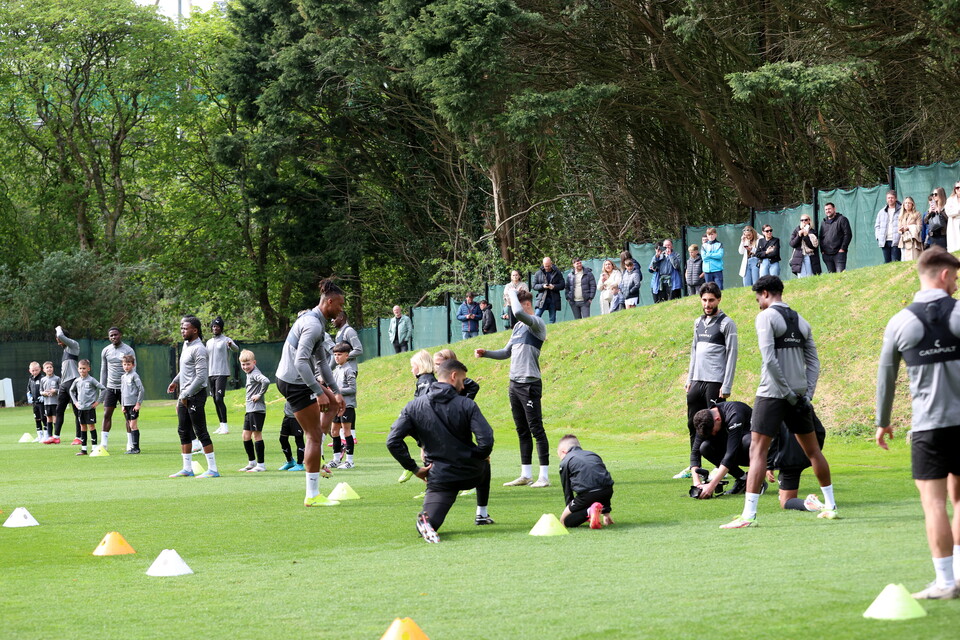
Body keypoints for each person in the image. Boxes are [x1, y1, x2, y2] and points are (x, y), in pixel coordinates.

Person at [875, 246, 960, 599]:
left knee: (934, 504)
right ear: (942, 275)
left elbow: (886, 375)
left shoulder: (899, 322)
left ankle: (945, 582)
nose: (955, 284)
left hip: (929, 428)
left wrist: (882, 421)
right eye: (954, 278)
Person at [721, 276, 837, 528]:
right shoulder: (802, 321)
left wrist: (786, 393)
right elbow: (814, 363)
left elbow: (769, 359)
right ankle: (830, 506)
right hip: (798, 396)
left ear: (764, 293)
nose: (759, 305)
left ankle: (748, 515)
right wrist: (806, 395)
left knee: (757, 451)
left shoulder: (765, 318)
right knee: (813, 451)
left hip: (772, 394)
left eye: (758, 299)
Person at [386, 358, 495, 543]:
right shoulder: (466, 404)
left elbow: (392, 441)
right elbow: (486, 440)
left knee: (431, 520)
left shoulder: (413, 406)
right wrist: (477, 456)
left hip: (439, 476)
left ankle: (425, 522)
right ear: (453, 376)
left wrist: (414, 469)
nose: (462, 386)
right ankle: (481, 514)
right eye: (462, 380)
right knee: (486, 461)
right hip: (471, 472)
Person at [275, 280, 346, 506]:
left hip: (298, 379)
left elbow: (322, 363)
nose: (341, 310)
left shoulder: (317, 322)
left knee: (333, 405)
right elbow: (300, 362)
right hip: (294, 382)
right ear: (330, 302)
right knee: (313, 436)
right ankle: (313, 495)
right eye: (340, 305)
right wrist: (318, 392)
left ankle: (317, 449)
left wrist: (335, 391)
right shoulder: (313, 325)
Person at [476, 288, 551, 487]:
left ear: (526, 304)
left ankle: (544, 476)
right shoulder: (518, 327)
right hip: (514, 383)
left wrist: (510, 292)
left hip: (529, 383)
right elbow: (506, 352)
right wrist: (486, 353)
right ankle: (526, 475)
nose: (510, 308)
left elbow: (518, 312)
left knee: (536, 429)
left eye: (512, 303)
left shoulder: (537, 323)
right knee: (522, 430)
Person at [677, 282, 738, 479]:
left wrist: (726, 384)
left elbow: (732, 355)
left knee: (715, 427)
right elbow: (694, 352)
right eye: (704, 300)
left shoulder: (726, 323)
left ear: (718, 300)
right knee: (692, 424)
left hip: (715, 382)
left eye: (711, 300)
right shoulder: (698, 322)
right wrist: (689, 378)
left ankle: (721, 466)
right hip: (697, 380)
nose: (707, 304)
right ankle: (694, 467)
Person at [167, 315, 221, 479]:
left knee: (200, 431)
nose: (182, 330)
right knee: (183, 430)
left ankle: (213, 469)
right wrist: (176, 381)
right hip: (184, 395)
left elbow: (201, 377)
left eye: (185, 328)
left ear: (195, 330)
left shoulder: (199, 349)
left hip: (195, 395)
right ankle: (187, 468)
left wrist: (185, 394)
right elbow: (185, 369)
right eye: (182, 328)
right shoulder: (186, 345)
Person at [690, 400, 753, 498]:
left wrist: (712, 485)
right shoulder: (704, 420)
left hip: (755, 452)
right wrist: (697, 483)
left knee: (747, 441)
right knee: (705, 447)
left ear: (718, 419)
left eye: (713, 431)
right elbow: (695, 453)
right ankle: (743, 479)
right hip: (733, 449)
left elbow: (731, 454)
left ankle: (755, 477)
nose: (713, 434)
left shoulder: (734, 414)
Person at [766, 416, 828, 513]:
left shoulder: (775, 410)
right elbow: (820, 431)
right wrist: (815, 452)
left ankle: (809, 503)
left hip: (788, 459)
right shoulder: (804, 406)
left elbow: (773, 439)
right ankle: (827, 501)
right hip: (807, 456)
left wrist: (769, 466)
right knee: (786, 494)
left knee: (785, 501)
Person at [558, 434, 615, 529]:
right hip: (608, 491)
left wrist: (565, 517)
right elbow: (604, 481)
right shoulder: (592, 454)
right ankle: (593, 511)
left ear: (563, 452)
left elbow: (567, 489)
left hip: (588, 494)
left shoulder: (565, 461)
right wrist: (606, 513)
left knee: (566, 521)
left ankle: (590, 511)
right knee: (598, 492)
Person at [99, 327, 136, 452]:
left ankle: (130, 443)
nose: (113, 337)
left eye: (115, 335)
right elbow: (103, 370)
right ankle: (103, 444)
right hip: (110, 387)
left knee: (128, 416)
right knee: (106, 414)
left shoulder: (128, 350)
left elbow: (133, 370)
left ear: (120, 335)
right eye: (111, 335)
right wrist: (102, 388)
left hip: (125, 388)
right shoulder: (106, 351)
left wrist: (131, 388)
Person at [238, 349, 270, 473]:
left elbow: (266, 381)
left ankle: (261, 465)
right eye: (243, 364)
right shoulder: (249, 374)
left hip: (257, 410)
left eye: (248, 364)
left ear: (254, 362)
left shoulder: (255, 373)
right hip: (250, 409)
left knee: (257, 435)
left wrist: (259, 395)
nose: (245, 367)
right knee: (245, 435)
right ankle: (252, 462)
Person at [48, 325, 81, 445]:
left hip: (74, 382)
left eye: (59, 341)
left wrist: (57, 328)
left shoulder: (73, 345)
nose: (58, 343)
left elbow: (60, 334)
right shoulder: (65, 350)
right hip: (64, 383)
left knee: (77, 411)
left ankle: (79, 437)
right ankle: (56, 437)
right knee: (59, 410)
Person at [207, 317, 239, 435]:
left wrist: (231, 345)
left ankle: (225, 426)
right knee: (215, 400)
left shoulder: (226, 340)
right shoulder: (209, 342)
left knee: (219, 398)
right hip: (211, 373)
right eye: (214, 326)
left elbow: (236, 349)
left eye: (217, 326)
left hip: (222, 372)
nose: (215, 328)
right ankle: (221, 425)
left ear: (221, 328)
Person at [329, 342, 357, 469]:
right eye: (335, 354)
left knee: (346, 432)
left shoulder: (349, 370)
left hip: (347, 406)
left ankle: (349, 461)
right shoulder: (336, 370)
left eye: (339, 354)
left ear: (347, 355)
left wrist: (337, 391)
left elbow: (352, 389)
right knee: (334, 431)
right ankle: (336, 459)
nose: (336, 357)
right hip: (336, 406)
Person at [70, 359, 105, 456]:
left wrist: (98, 401)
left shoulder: (91, 380)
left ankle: (94, 448)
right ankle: (83, 449)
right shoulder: (77, 381)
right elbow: (71, 391)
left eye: (84, 368)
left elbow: (103, 389)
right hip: (80, 409)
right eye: (80, 368)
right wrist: (75, 402)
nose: (82, 370)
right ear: (78, 369)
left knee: (91, 426)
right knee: (82, 427)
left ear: (88, 369)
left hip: (90, 409)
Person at [120, 354, 144, 454]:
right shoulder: (123, 377)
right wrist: (122, 405)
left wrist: (138, 403)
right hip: (126, 405)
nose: (126, 366)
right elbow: (122, 391)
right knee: (130, 425)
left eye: (128, 364)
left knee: (133, 425)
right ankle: (134, 447)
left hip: (133, 404)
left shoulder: (134, 375)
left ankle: (136, 448)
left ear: (133, 365)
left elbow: (141, 389)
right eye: (125, 364)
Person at [818, 202, 852, 273]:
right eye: (826, 209)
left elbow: (848, 234)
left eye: (829, 209)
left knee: (840, 275)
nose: (828, 211)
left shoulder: (842, 219)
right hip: (827, 255)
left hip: (839, 254)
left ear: (834, 209)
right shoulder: (823, 222)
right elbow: (821, 237)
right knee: (832, 277)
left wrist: (843, 248)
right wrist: (822, 251)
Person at [532, 257, 565, 323]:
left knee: (552, 319)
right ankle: (534, 331)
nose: (547, 267)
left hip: (553, 299)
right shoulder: (538, 273)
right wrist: (542, 286)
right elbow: (534, 286)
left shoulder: (557, 272)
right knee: (536, 316)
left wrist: (554, 287)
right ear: (543, 264)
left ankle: (552, 332)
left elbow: (562, 285)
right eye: (545, 266)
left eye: (548, 266)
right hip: (542, 298)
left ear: (551, 263)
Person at [789, 213, 821, 278]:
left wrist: (806, 236)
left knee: (810, 275)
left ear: (809, 221)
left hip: (810, 256)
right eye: (802, 220)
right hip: (799, 256)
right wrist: (799, 235)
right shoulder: (796, 230)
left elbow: (813, 246)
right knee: (801, 276)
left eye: (805, 220)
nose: (804, 222)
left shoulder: (812, 231)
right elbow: (792, 244)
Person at [874, 190, 902, 263]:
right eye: (888, 198)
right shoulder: (881, 212)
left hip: (896, 240)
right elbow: (877, 226)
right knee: (887, 263)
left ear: (896, 198)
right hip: (885, 241)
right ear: (886, 199)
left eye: (892, 198)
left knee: (895, 262)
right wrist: (878, 237)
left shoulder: (902, 210)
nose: (890, 199)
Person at [277, 401, 306, 471]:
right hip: (287, 416)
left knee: (299, 439)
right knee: (282, 439)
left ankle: (300, 464)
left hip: (298, 417)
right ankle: (290, 461)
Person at [898, 197, 924, 261]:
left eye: (909, 203)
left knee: (914, 260)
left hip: (914, 240)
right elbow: (899, 229)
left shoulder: (917, 214)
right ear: (903, 205)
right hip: (904, 240)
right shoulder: (901, 215)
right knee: (904, 262)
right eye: (906, 203)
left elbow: (919, 227)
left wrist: (909, 228)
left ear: (912, 204)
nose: (907, 204)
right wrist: (902, 230)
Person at [40, 362, 59, 442]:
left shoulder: (57, 378)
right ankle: (49, 436)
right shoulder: (43, 379)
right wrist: (44, 393)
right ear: (44, 370)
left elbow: (61, 390)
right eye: (47, 367)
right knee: (48, 418)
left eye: (50, 367)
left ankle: (56, 436)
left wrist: (55, 391)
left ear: (53, 368)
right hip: (47, 403)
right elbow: (40, 391)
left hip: (55, 402)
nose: (49, 369)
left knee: (55, 418)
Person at [26, 362, 43, 442]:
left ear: (40, 369)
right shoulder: (30, 379)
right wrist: (29, 395)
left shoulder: (42, 378)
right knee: (37, 419)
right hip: (35, 403)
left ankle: (46, 435)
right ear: (30, 370)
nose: (35, 372)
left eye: (36, 370)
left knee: (44, 418)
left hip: (42, 403)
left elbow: (45, 388)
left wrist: (43, 396)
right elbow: (28, 388)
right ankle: (39, 435)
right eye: (33, 370)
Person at [947, 181, 960, 252]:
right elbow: (948, 212)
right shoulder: (950, 200)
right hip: (954, 225)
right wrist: (958, 211)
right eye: (957, 187)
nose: (959, 189)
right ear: (955, 189)